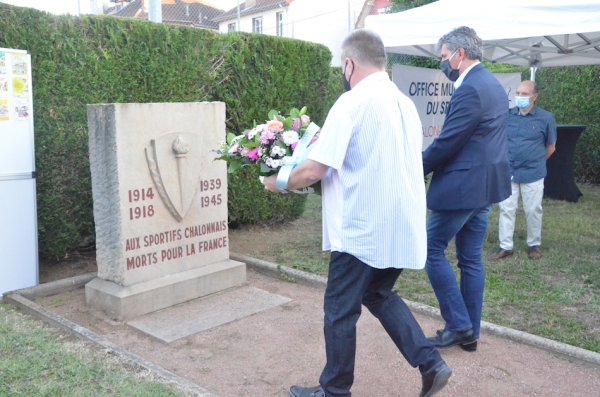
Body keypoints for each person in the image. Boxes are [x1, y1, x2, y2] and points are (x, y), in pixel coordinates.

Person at [263, 29, 451, 397]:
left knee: (339, 309)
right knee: (379, 292)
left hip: (362, 225)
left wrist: (277, 181)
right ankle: (431, 363)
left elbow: (315, 169)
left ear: (349, 64)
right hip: (400, 221)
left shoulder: (352, 103)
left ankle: (334, 390)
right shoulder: (403, 102)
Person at [421, 26, 511, 352]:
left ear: (460, 54)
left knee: (429, 249)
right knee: (470, 259)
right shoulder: (492, 84)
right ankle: (470, 334)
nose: (443, 63)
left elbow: (448, 142)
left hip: (464, 188)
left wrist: (415, 168)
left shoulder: (471, 88)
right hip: (485, 188)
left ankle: (459, 326)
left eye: (445, 57)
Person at [488, 81, 557, 261]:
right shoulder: (507, 115)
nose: (520, 96)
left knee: (533, 209)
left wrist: (535, 163)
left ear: (535, 97)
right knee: (506, 209)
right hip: (508, 171)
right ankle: (505, 247)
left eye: (524, 94)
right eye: (518, 92)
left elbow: (551, 147)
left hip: (533, 173)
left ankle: (534, 245)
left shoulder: (546, 118)